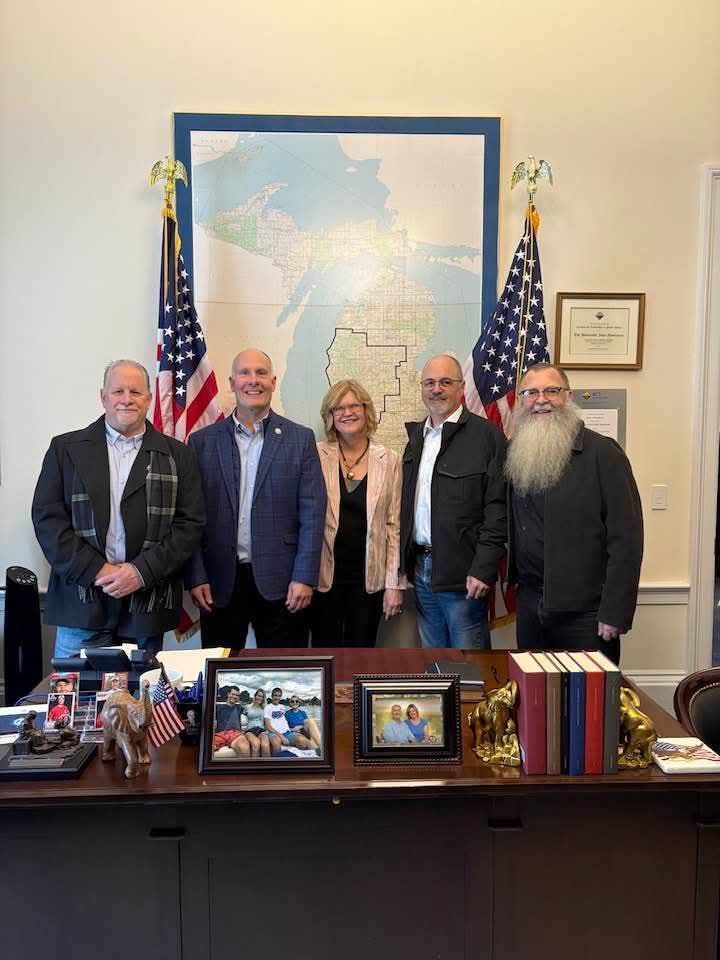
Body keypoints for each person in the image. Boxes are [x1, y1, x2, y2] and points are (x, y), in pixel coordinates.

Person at [32, 360, 206, 659]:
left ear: (149, 398)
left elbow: (188, 526)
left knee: (140, 690)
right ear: (103, 397)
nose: (127, 399)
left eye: (136, 392)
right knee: (79, 688)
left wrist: (140, 572)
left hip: (146, 606)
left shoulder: (179, 455)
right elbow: (48, 520)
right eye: (118, 391)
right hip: (81, 605)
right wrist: (97, 570)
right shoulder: (65, 449)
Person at [505, 363, 643, 665]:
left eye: (551, 391)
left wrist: (615, 611)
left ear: (568, 396)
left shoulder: (604, 454)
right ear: (521, 400)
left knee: (588, 694)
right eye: (531, 393)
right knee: (535, 690)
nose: (541, 400)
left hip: (586, 614)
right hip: (529, 605)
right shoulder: (516, 453)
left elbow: (627, 540)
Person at [187, 349, 326, 648]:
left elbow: (313, 515)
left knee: (283, 671)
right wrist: (196, 576)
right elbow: (191, 518)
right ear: (232, 382)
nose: (253, 380)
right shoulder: (202, 443)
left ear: (273, 382)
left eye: (261, 373)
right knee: (221, 669)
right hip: (219, 582)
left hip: (284, 583)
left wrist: (304, 576)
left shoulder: (300, 440)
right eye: (245, 373)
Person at [399, 354, 507, 649]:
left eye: (446, 382)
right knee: (434, 661)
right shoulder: (417, 438)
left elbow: (498, 510)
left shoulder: (487, 437)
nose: (437, 389)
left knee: (469, 662)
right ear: (422, 389)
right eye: (430, 383)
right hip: (421, 570)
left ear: (461, 387)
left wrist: (483, 568)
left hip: (464, 575)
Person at [312, 379, 404, 646]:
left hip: (369, 579)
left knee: (361, 653)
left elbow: (394, 526)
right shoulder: (316, 454)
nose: (347, 413)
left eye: (354, 406)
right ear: (330, 415)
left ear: (366, 410)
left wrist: (394, 585)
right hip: (323, 577)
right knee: (324, 652)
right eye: (338, 408)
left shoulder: (389, 459)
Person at [263, 687, 315, 751]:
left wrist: (293, 729)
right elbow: (268, 726)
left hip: (287, 732)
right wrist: (281, 736)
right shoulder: (267, 708)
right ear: (272, 696)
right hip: (274, 733)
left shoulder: (282, 707)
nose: (277, 698)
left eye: (279, 696)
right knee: (276, 744)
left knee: (305, 741)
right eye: (275, 695)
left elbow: (284, 721)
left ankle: (318, 754)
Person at [214, 686, 250, 757]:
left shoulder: (239, 707)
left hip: (235, 734)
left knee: (244, 747)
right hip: (221, 734)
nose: (234, 697)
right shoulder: (218, 707)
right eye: (233, 694)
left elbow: (251, 713)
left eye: (237, 695)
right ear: (228, 694)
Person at [244, 689, 277, 756]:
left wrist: (267, 730)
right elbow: (241, 717)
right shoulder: (247, 707)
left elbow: (267, 720)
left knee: (265, 745)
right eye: (259, 696)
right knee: (256, 744)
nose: (260, 698)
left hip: (261, 730)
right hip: (250, 730)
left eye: (262, 697)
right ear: (255, 696)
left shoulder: (264, 708)